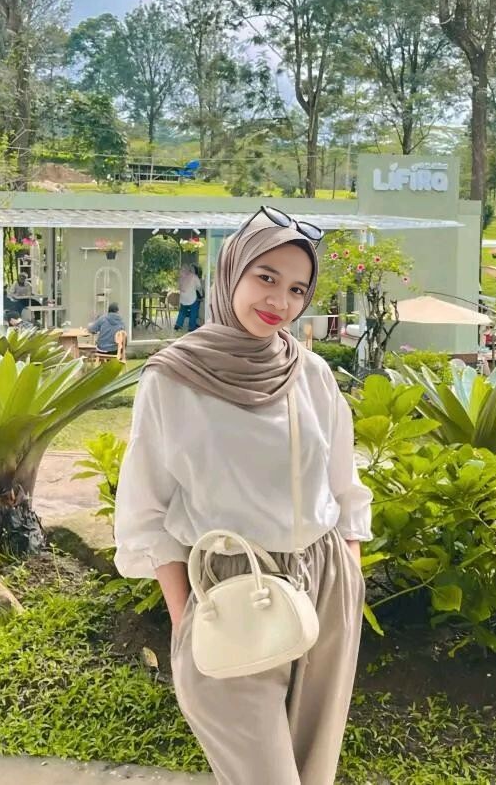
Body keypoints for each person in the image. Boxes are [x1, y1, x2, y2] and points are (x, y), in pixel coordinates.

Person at [114, 207, 372, 785]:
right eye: (266, 277)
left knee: (313, 770)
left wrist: (348, 581)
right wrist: (186, 620)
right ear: (232, 271)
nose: (280, 300)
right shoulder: (172, 378)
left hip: (324, 580)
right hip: (227, 587)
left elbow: (344, 488)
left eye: (298, 288)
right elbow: (147, 511)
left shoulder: (310, 374)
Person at [174, 263, 204, 332]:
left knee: (182, 311)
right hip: (191, 298)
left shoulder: (181, 277)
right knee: (194, 311)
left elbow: (178, 287)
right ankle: (192, 327)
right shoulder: (194, 276)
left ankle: (178, 324)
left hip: (183, 298)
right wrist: (201, 295)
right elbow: (199, 287)